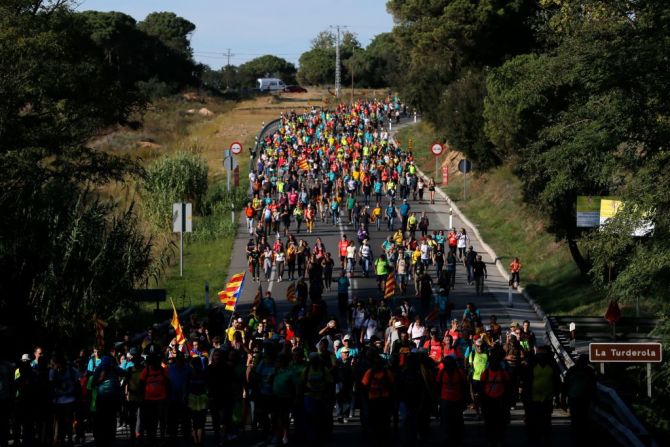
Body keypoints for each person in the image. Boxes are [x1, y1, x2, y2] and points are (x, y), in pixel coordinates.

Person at [521, 346, 562, 447]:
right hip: (533, 399)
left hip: (547, 399)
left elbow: (557, 381)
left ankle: (545, 438)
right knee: (533, 421)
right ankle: (534, 439)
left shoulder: (552, 365)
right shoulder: (531, 365)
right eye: (540, 355)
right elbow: (525, 381)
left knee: (546, 421)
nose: (542, 358)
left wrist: (557, 396)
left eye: (543, 355)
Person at [563, 355, 597, 446]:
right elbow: (593, 385)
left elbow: (566, 384)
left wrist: (563, 398)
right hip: (583, 398)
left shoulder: (573, 370)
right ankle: (581, 437)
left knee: (576, 419)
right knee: (583, 418)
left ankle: (577, 436)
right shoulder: (588, 370)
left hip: (575, 398)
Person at [436, 356, 467, 445]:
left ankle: (458, 437)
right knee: (446, 421)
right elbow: (438, 387)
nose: (447, 366)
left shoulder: (460, 373)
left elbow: (464, 387)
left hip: (457, 400)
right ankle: (447, 437)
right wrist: (438, 401)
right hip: (445, 401)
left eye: (449, 364)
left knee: (457, 420)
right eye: (446, 364)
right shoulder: (441, 373)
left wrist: (464, 401)